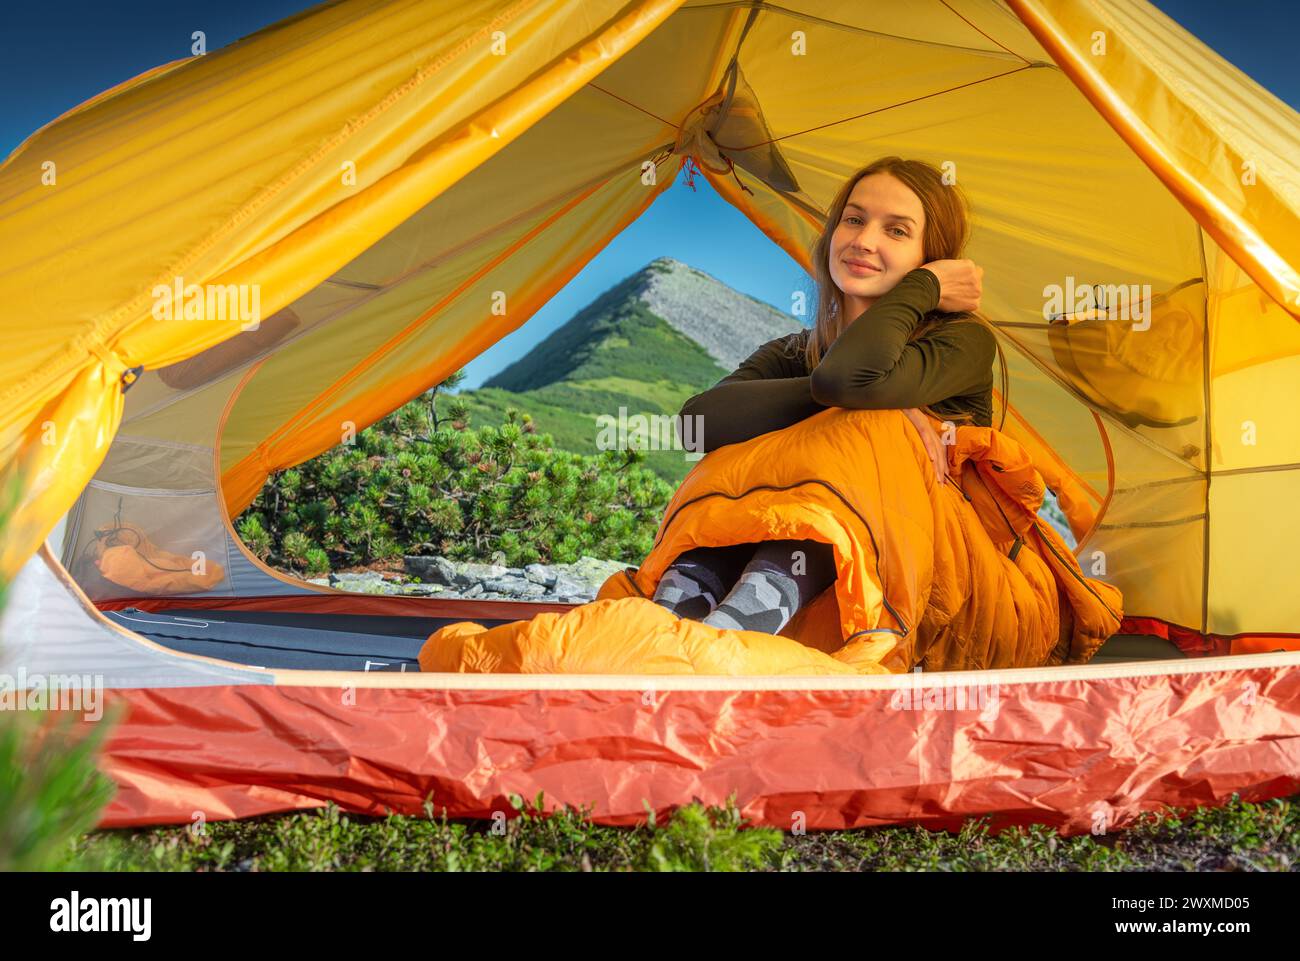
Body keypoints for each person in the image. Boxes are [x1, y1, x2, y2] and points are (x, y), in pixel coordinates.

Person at [654, 156, 1008, 636]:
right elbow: (697, 424)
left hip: (933, 585)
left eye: (897, 231)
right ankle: (678, 609)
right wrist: (864, 396)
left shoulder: (963, 342)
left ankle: (743, 622)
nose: (864, 240)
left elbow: (842, 380)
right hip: (784, 548)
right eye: (854, 219)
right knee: (754, 451)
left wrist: (922, 289)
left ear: (934, 259)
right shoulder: (798, 351)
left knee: (871, 428)